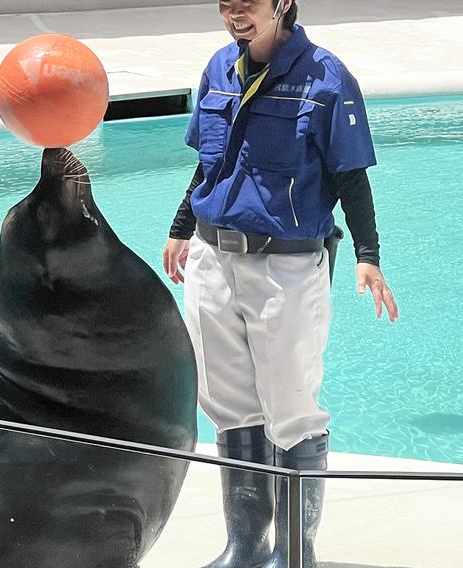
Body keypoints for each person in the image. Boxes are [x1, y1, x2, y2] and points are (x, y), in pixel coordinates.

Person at [162, 1, 399, 567]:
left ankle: (295, 554)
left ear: (283, 4)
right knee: (228, 405)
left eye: (249, 1)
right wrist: (180, 228)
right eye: (225, 2)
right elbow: (210, 166)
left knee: (291, 408)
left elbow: (350, 174)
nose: (235, 12)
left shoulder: (326, 77)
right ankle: (244, 546)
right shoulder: (219, 68)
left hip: (285, 267)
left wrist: (368, 254)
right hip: (212, 256)